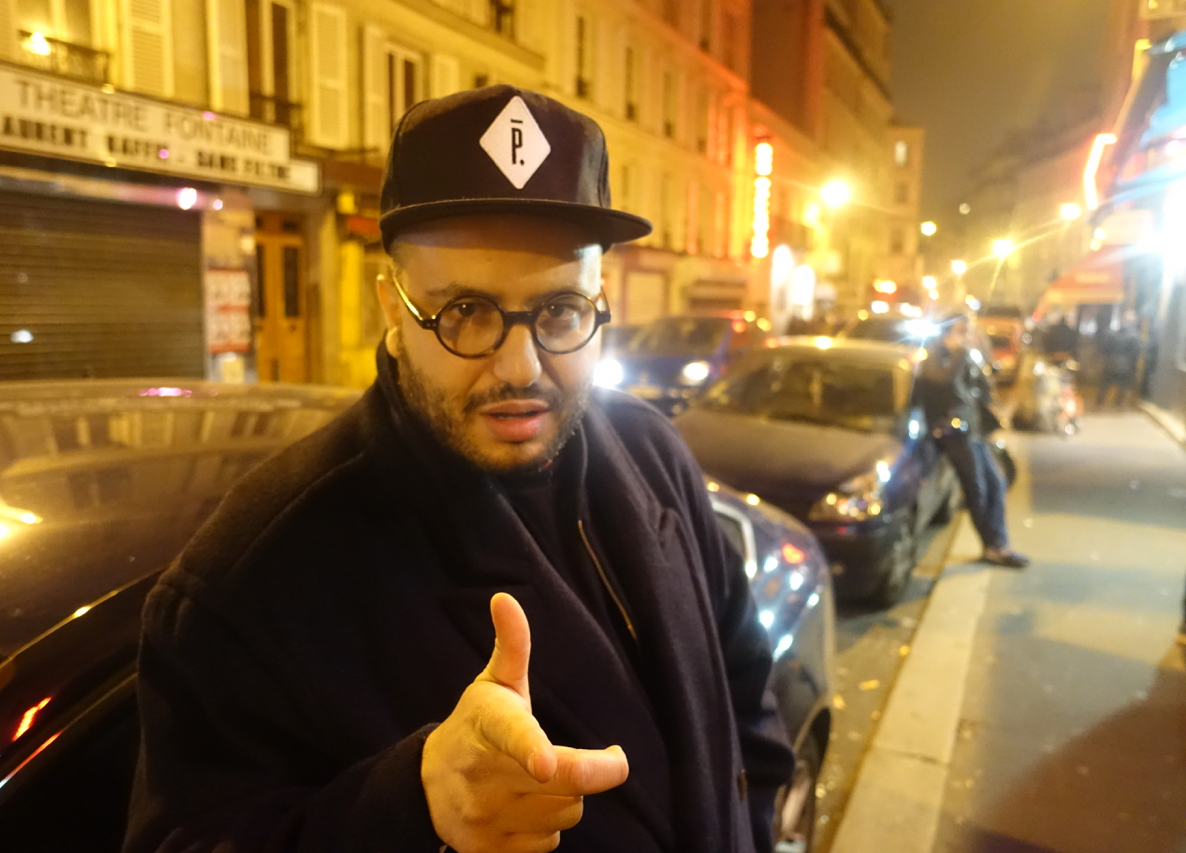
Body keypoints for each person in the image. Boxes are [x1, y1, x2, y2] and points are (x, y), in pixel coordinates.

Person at [123, 86, 795, 853]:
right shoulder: (253, 576)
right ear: (392, 308)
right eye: (466, 311)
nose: (521, 367)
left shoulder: (653, 451)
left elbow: (743, 687)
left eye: (561, 310)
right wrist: (412, 807)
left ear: (599, 300)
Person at [915, 312, 1030, 568]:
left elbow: (979, 388)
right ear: (945, 333)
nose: (966, 337)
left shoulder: (966, 355)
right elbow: (944, 382)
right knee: (976, 488)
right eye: (961, 331)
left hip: (974, 429)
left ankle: (998, 544)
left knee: (996, 483)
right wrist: (958, 353)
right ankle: (993, 546)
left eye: (968, 331)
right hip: (953, 431)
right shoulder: (934, 356)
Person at [1098, 311, 1142, 409]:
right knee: (1122, 385)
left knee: (1105, 383)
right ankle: (1118, 404)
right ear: (1134, 321)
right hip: (1125, 364)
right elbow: (1136, 352)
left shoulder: (1113, 332)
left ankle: (1099, 403)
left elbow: (1105, 347)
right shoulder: (1134, 335)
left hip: (1110, 362)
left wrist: (1109, 357)